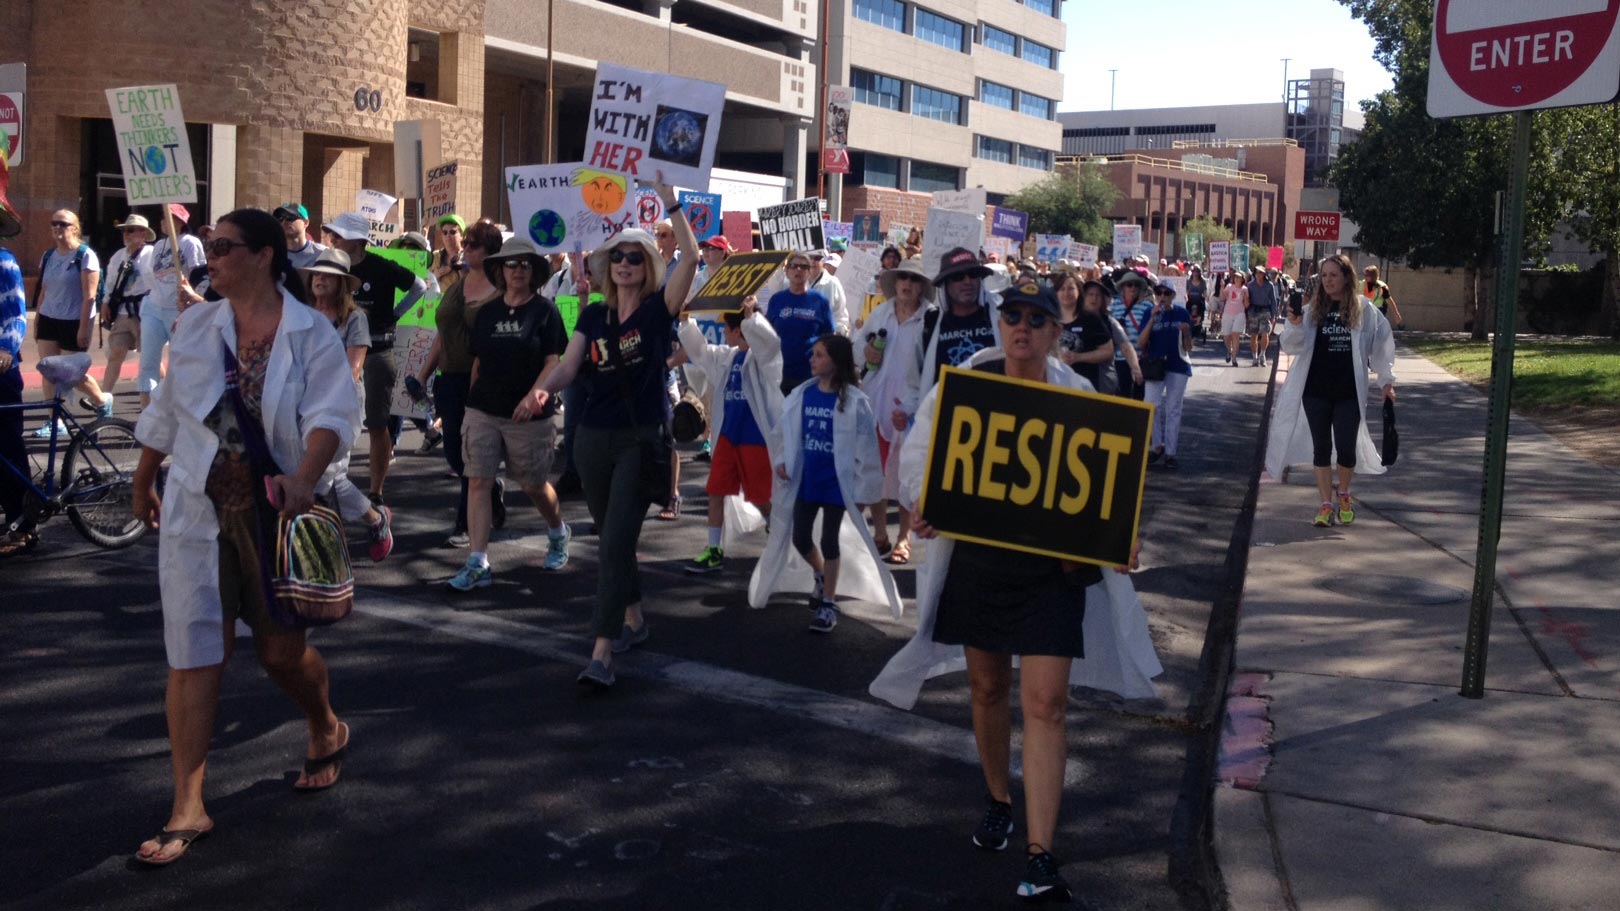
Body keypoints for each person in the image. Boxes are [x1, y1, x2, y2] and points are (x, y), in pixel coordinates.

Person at [869, 279, 1161, 903]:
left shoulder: (1079, 395)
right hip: (979, 563)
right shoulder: (968, 381)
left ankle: (1041, 856)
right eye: (1013, 316)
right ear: (1001, 325)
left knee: (1048, 702)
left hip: (1050, 574)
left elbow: (1106, 487)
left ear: (1056, 333)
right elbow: (921, 457)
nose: (1022, 327)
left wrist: (1119, 539)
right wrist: (920, 503)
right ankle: (999, 798)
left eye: (1036, 318)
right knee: (987, 687)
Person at [129, 207, 360, 866]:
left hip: (274, 511)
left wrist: (304, 476)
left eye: (225, 247)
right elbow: (170, 408)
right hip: (199, 506)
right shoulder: (198, 326)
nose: (213, 259)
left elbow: (332, 414)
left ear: (263, 255)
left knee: (283, 654)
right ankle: (188, 805)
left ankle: (324, 722)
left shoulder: (311, 333)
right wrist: (144, 478)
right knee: (195, 650)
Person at [530, 175, 697, 689]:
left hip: (638, 439)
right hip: (591, 441)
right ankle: (636, 620)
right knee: (613, 539)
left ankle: (602, 652)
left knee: (614, 542)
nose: (625, 263)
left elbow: (689, 258)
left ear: (647, 267)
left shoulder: (656, 310)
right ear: (609, 266)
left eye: (634, 257)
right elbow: (569, 365)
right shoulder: (594, 315)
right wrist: (541, 390)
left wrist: (670, 200)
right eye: (618, 256)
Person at [442, 238, 572, 589]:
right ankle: (478, 561)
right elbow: (479, 361)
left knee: (531, 484)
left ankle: (558, 532)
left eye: (525, 265)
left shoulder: (545, 311)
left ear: (533, 271)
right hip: (483, 409)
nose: (518, 270)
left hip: (528, 415)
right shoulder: (487, 312)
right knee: (478, 480)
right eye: (511, 264)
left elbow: (553, 361)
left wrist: (535, 396)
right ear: (500, 270)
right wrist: (471, 400)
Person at [749, 333, 900, 631]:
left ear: (836, 362)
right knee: (800, 537)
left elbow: (867, 452)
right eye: (813, 354)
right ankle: (820, 575)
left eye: (819, 355)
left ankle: (828, 603)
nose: (812, 359)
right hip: (807, 481)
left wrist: (862, 492)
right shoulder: (802, 395)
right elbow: (785, 435)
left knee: (829, 540)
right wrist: (781, 463)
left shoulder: (855, 402)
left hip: (835, 485)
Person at [1266, 254, 1397, 527]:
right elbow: (1292, 345)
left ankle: (1344, 493)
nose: (1327, 280)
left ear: (1347, 277)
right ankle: (1326, 504)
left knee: (1347, 449)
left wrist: (1387, 381)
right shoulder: (1313, 311)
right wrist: (1295, 323)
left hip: (1348, 392)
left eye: (1333, 275)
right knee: (1322, 448)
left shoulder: (1364, 309)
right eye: (1324, 275)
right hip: (1315, 391)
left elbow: (1382, 344)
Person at [322, 212, 428, 505]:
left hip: (379, 351)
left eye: (339, 236)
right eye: (333, 236)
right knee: (331, 417)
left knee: (378, 424)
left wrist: (394, 315)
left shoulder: (381, 266)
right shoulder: (335, 269)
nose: (334, 240)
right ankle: (328, 481)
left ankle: (376, 491)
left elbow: (420, 286)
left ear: (357, 241)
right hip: (340, 351)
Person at [299, 248, 394, 561]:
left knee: (323, 476)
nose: (320, 279)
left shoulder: (355, 319)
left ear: (342, 284)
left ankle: (338, 537)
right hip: (305, 402)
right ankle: (374, 519)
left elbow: (353, 369)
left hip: (340, 404)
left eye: (329, 275)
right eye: (317, 274)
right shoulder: (304, 315)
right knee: (329, 475)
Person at [677, 297, 782, 574]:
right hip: (727, 437)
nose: (723, 332)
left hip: (755, 438)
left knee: (760, 497)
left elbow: (770, 345)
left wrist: (751, 317)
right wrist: (686, 321)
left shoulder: (764, 360)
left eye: (728, 328)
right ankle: (714, 549)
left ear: (740, 331)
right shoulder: (727, 356)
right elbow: (699, 352)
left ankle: (778, 527)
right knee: (716, 491)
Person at [416, 219, 505, 546]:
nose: (464, 247)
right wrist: (424, 374)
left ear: (490, 251)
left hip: (481, 382)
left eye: (473, 244)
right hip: (448, 379)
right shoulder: (457, 284)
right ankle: (490, 486)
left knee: (470, 452)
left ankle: (465, 522)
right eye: (464, 242)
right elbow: (443, 332)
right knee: (453, 450)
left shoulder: (500, 290)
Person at [859, 257, 933, 564]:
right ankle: (880, 534)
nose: (907, 285)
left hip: (910, 406)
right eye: (903, 278)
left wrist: (915, 407)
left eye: (914, 280)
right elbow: (860, 350)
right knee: (875, 472)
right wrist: (867, 352)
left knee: (906, 476)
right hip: (876, 401)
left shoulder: (931, 319)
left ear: (921, 288)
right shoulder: (881, 312)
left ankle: (904, 539)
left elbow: (930, 367)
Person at [31, 209, 113, 432]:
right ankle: (55, 421)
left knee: (72, 374)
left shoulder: (85, 255)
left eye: (63, 224)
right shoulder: (48, 256)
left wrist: (83, 328)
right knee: (48, 369)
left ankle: (102, 401)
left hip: (74, 321)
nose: (57, 227)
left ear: (75, 228)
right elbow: (44, 291)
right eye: (54, 223)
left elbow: (90, 296)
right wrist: (38, 319)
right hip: (49, 317)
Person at [140, 205, 209, 407]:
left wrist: (195, 300)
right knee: (148, 362)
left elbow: (199, 276)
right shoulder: (158, 246)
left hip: (178, 308)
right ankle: (146, 413)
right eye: (162, 217)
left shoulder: (189, 243)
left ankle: (181, 408)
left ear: (181, 222)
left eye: (170, 218)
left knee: (180, 360)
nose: (164, 221)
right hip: (154, 307)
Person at [918, 247, 1002, 393]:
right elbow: (913, 377)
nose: (967, 281)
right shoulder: (929, 324)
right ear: (945, 284)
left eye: (973, 274)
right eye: (958, 277)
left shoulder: (1002, 318)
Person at [0, 187, 31, 556]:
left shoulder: (5, 261)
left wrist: (7, 349)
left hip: (2, 369)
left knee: (7, 446)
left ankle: (23, 524)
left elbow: (16, 312)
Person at [98, 214, 157, 403]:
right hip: (123, 311)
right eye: (124, 230)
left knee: (148, 356)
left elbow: (157, 281)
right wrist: (106, 302)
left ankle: (156, 395)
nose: (126, 234)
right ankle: (103, 398)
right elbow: (110, 283)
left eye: (130, 230)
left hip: (145, 311)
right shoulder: (118, 256)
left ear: (143, 234)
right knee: (116, 353)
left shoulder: (152, 254)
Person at [1138, 281, 1194, 469]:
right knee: (1151, 406)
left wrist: (1186, 333)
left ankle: (1170, 452)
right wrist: (1153, 319)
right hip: (1155, 365)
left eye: (1166, 293)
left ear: (1173, 295)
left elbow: (1189, 347)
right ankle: (1157, 446)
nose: (1162, 296)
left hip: (1177, 365)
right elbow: (1141, 341)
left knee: (1173, 409)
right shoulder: (1149, 313)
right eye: (1159, 292)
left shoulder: (1181, 313)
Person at [765, 250, 836, 396]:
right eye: (794, 266)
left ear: (809, 272)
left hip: (810, 375)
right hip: (780, 374)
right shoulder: (777, 300)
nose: (798, 270)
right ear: (786, 271)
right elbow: (767, 334)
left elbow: (829, 338)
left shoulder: (819, 301)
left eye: (804, 267)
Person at [1053, 271, 1114, 390]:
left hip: (1085, 386)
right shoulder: (1048, 319)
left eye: (1071, 288)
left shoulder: (1091, 319)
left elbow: (1108, 351)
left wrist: (1078, 357)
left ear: (1079, 291)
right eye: (1062, 289)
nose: (1066, 293)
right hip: (1055, 384)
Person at [1109, 268, 1155, 399]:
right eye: (1129, 284)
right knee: (1122, 396)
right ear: (1123, 287)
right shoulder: (1113, 305)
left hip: (1141, 358)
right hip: (1120, 358)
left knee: (1139, 397)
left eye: (1136, 285)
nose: (1133, 287)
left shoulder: (1147, 306)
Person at [274, 202, 326, 271]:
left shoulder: (322, 253)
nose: (284, 222)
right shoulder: (272, 254)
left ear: (306, 222)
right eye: (280, 218)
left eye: (290, 218)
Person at [1246, 267, 1278, 367]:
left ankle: (1262, 354)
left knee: (1265, 334)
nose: (1259, 275)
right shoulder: (1250, 285)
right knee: (1254, 335)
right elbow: (1247, 300)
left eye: (1261, 273)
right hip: (1253, 311)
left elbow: (1273, 301)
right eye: (1257, 273)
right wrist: (1246, 314)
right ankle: (1254, 357)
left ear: (1264, 274)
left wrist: (1273, 315)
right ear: (1255, 274)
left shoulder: (1269, 285)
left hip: (1265, 311)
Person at [1220, 270, 1249, 366]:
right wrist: (1222, 286)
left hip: (1239, 314)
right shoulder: (1229, 287)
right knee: (1226, 336)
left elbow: (1246, 305)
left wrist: (1246, 297)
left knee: (1235, 335)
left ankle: (1234, 358)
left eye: (1238, 277)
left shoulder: (1245, 289)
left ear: (1242, 279)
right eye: (1235, 277)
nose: (1236, 279)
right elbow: (1222, 298)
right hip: (1228, 313)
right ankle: (1229, 350)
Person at [431, 214, 467, 290]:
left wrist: (460, 270)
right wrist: (435, 276)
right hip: (438, 300)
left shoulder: (468, 256)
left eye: (452, 232)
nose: (448, 236)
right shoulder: (435, 256)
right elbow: (425, 284)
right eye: (445, 232)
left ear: (462, 235)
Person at [1363, 264, 1403, 329]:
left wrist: (1396, 314)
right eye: (1365, 275)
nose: (1365, 277)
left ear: (1373, 276)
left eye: (1368, 275)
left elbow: (1389, 300)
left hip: (1378, 311)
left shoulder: (1381, 287)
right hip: (1366, 311)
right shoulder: (1362, 284)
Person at [1185, 265, 1208, 340]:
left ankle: (1198, 321)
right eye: (1193, 271)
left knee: (1201, 306)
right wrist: (1186, 296)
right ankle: (1190, 321)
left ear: (1199, 273)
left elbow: (1205, 291)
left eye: (1197, 271)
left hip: (1199, 300)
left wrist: (1205, 295)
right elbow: (1186, 291)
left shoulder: (1202, 282)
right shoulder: (1188, 281)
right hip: (1190, 300)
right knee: (1187, 308)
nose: (1195, 273)